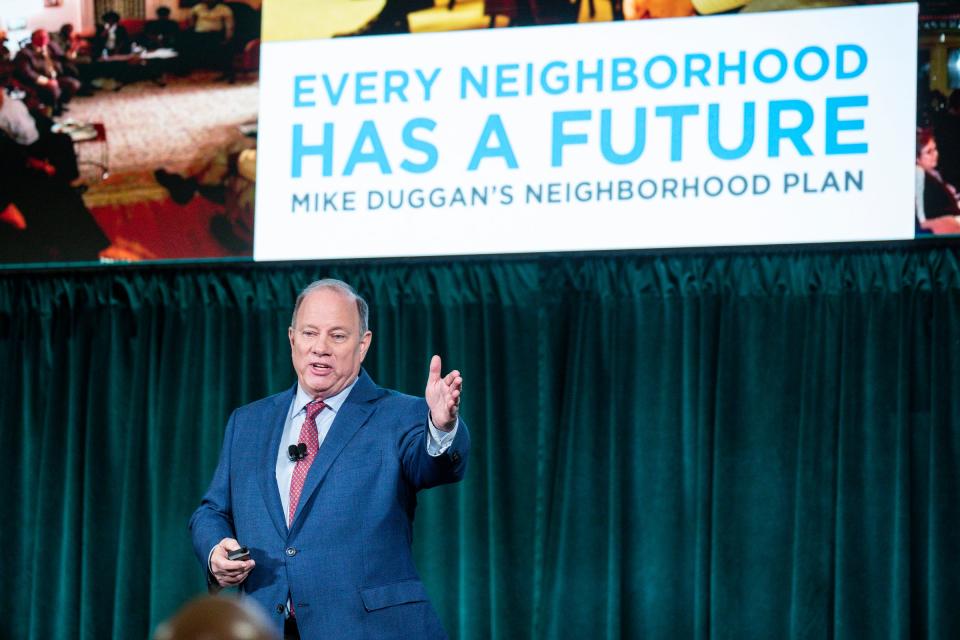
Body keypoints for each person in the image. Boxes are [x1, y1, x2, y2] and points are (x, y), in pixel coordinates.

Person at [189, 279, 470, 639]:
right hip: (267, 627)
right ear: (292, 338)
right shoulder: (248, 422)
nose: (320, 348)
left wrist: (442, 426)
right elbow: (212, 510)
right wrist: (216, 551)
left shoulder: (399, 415)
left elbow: (435, 464)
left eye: (337, 336)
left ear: (363, 344)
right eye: (309, 333)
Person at [13, 29, 82, 115]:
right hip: (39, 81)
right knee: (53, 89)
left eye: (46, 37)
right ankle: (53, 108)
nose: (45, 40)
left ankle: (60, 104)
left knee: (74, 84)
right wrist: (47, 81)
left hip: (55, 76)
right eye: (41, 37)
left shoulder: (51, 46)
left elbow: (62, 57)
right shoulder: (24, 53)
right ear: (34, 39)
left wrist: (71, 52)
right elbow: (27, 73)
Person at [915, 127, 960, 235]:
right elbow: (923, 219)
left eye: (935, 149)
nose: (935, 154)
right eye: (929, 152)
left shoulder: (934, 174)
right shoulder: (919, 174)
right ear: (917, 158)